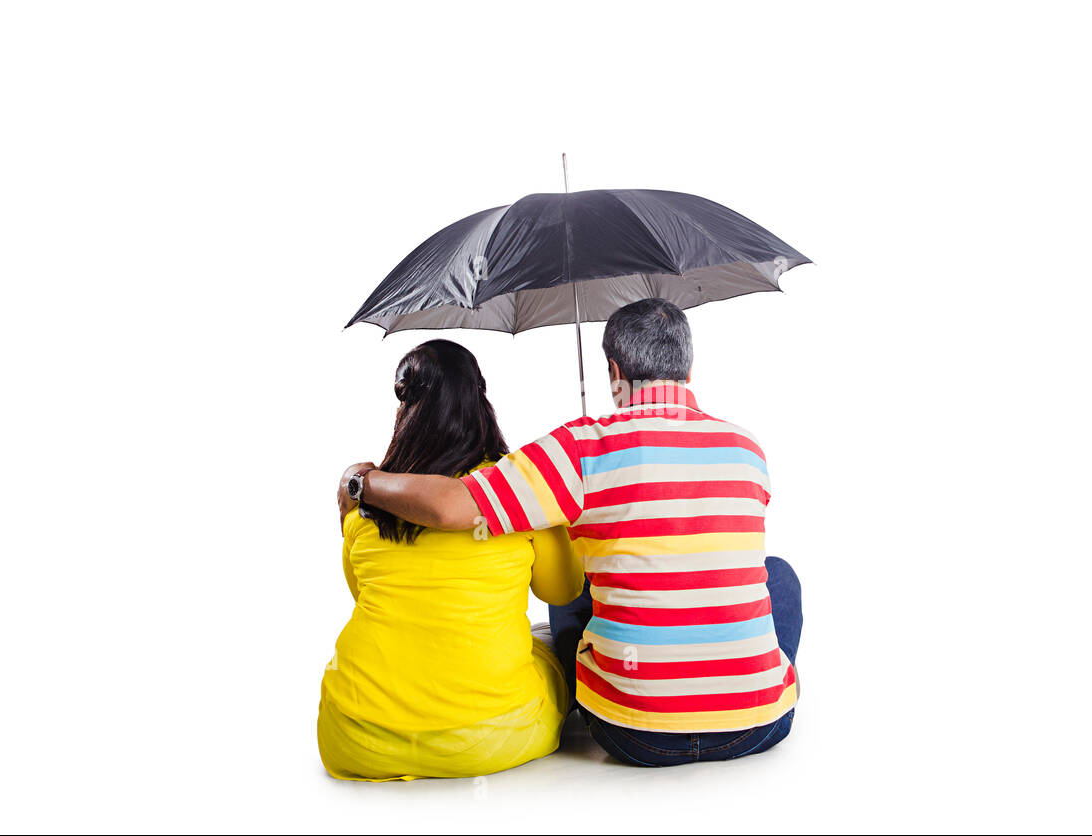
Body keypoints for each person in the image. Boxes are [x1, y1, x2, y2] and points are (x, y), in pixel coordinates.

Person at [338, 298, 802, 767]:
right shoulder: (748, 449)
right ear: (688, 365)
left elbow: (452, 506)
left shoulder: (578, 447)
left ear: (614, 369)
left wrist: (361, 482)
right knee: (777, 575)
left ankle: (607, 693)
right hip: (757, 727)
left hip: (632, 734)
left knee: (574, 589)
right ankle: (750, 688)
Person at [319, 340, 584, 780]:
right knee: (551, 637)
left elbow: (362, 593)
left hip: (355, 735)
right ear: (480, 401)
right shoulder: (518, 494)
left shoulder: (365, 505)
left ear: (405, 409)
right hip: (494, 735)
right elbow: (563, 591)